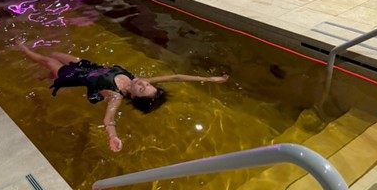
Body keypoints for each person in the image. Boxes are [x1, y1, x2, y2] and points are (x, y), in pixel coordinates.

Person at [15, 40, 229, 152]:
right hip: (88, 67)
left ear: (134, 97)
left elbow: (108, 119)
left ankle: (22, 49)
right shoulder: (136, 79)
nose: (143, 82)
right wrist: (210, 79)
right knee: (55, 54)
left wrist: (113, 137)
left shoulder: (115, 96)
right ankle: (47, 76)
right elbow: (175, 77)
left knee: (47, 60)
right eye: (147, 84)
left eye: (142, 88)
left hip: (75, 76)